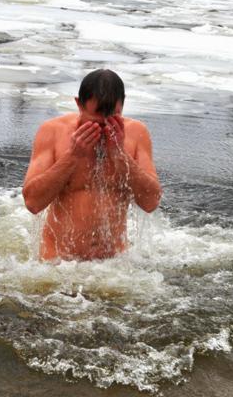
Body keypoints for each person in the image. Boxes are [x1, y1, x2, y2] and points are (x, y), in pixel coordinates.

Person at [22, 69, 161, 260]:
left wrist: (119, 155)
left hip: (112, 267)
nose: (105, 129)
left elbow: (150, 202)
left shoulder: (137, 133)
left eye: (113, 120)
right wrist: (72, 156)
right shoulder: (52, 131)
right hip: (57, 264)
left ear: (123, 105)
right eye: (96, 122)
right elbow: (33, 202)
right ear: (79, 104)